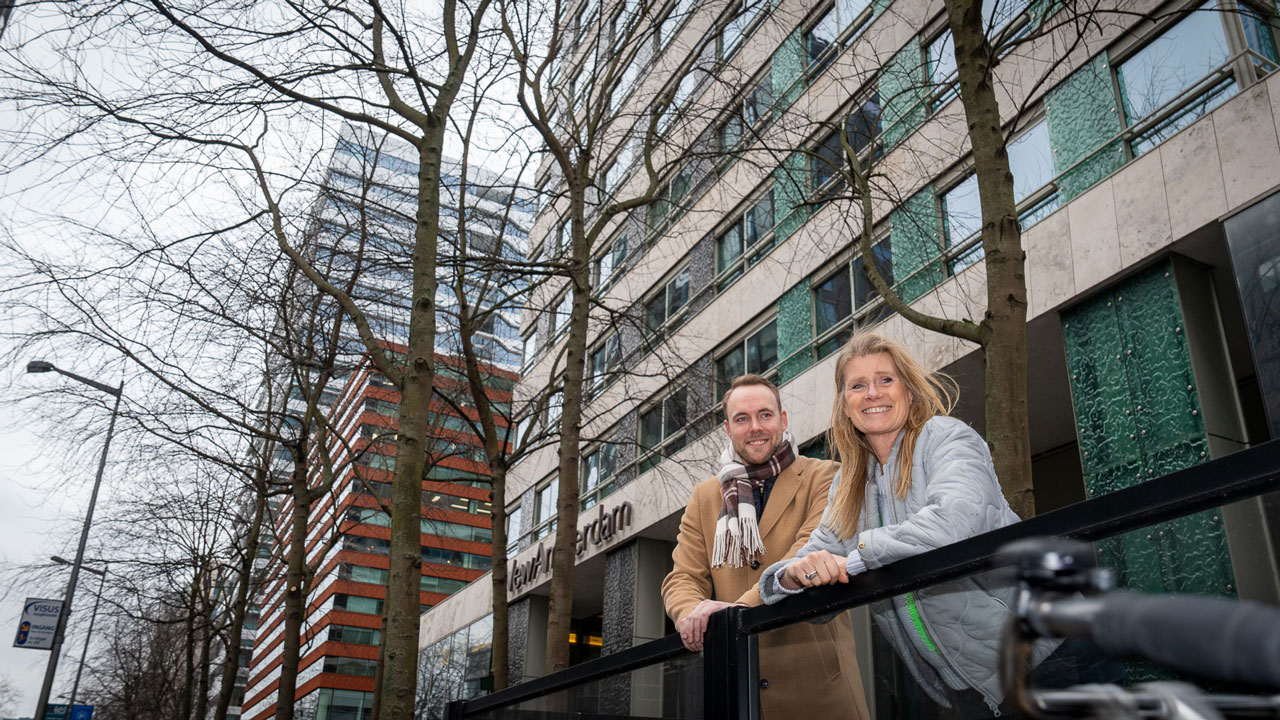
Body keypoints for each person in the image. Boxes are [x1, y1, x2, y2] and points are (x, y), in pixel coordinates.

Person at [759, 332, 1109, 718]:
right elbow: (813, 558)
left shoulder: (946, 437)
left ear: (908, 390)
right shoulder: (849, 484)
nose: (872, 393)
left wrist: (857, 557)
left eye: (885, 380)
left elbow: (955, 522)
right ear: (844, 405)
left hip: (1053, 655)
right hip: (971, 689)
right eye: (857, 385)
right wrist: (791, 576)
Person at [661, 374, 870, 719]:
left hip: (819, 690)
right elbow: (682, 577)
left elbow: (803, 557)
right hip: (737, 688)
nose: (755, 427)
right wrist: (690, 616)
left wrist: (731, 616)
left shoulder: (827, 476)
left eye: (765, 415)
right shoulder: (704, 497)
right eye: (742, 419)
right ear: (728, 429)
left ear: (783, 420)